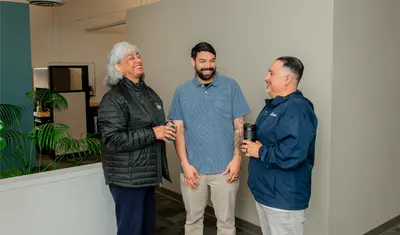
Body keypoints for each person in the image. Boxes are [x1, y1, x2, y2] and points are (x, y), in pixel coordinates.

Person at [168, 42, 251, 235]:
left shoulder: (231, 86)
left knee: (226, 223)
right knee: (193, 221)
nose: (208, 65)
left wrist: (237, 159)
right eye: (203, 61)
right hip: (193, 171)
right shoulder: (182, 91)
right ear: (193, 62)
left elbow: (239, 126)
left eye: (212, 61)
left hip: (225, 170)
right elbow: (178, 131)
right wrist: (185, 164)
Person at [98, 41, 176, 235]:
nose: (137, 60)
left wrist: (166, 129)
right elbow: (112, 140)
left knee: (146, 228)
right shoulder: (113, 99)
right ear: (117, 67)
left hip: (146, 175)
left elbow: (152, 124)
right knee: (131, 230)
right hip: (127, 179)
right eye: (130, 58)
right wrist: (153, 133)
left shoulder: (148, 93)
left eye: (138, 55)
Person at [242, 56, 318, 235]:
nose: (265, 77)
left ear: (287, 79)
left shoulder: (298, 109)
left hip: (282, 198)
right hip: (266, 193)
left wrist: (259, 151)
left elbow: (292, 153)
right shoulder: (273, 106)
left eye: (271, 73)